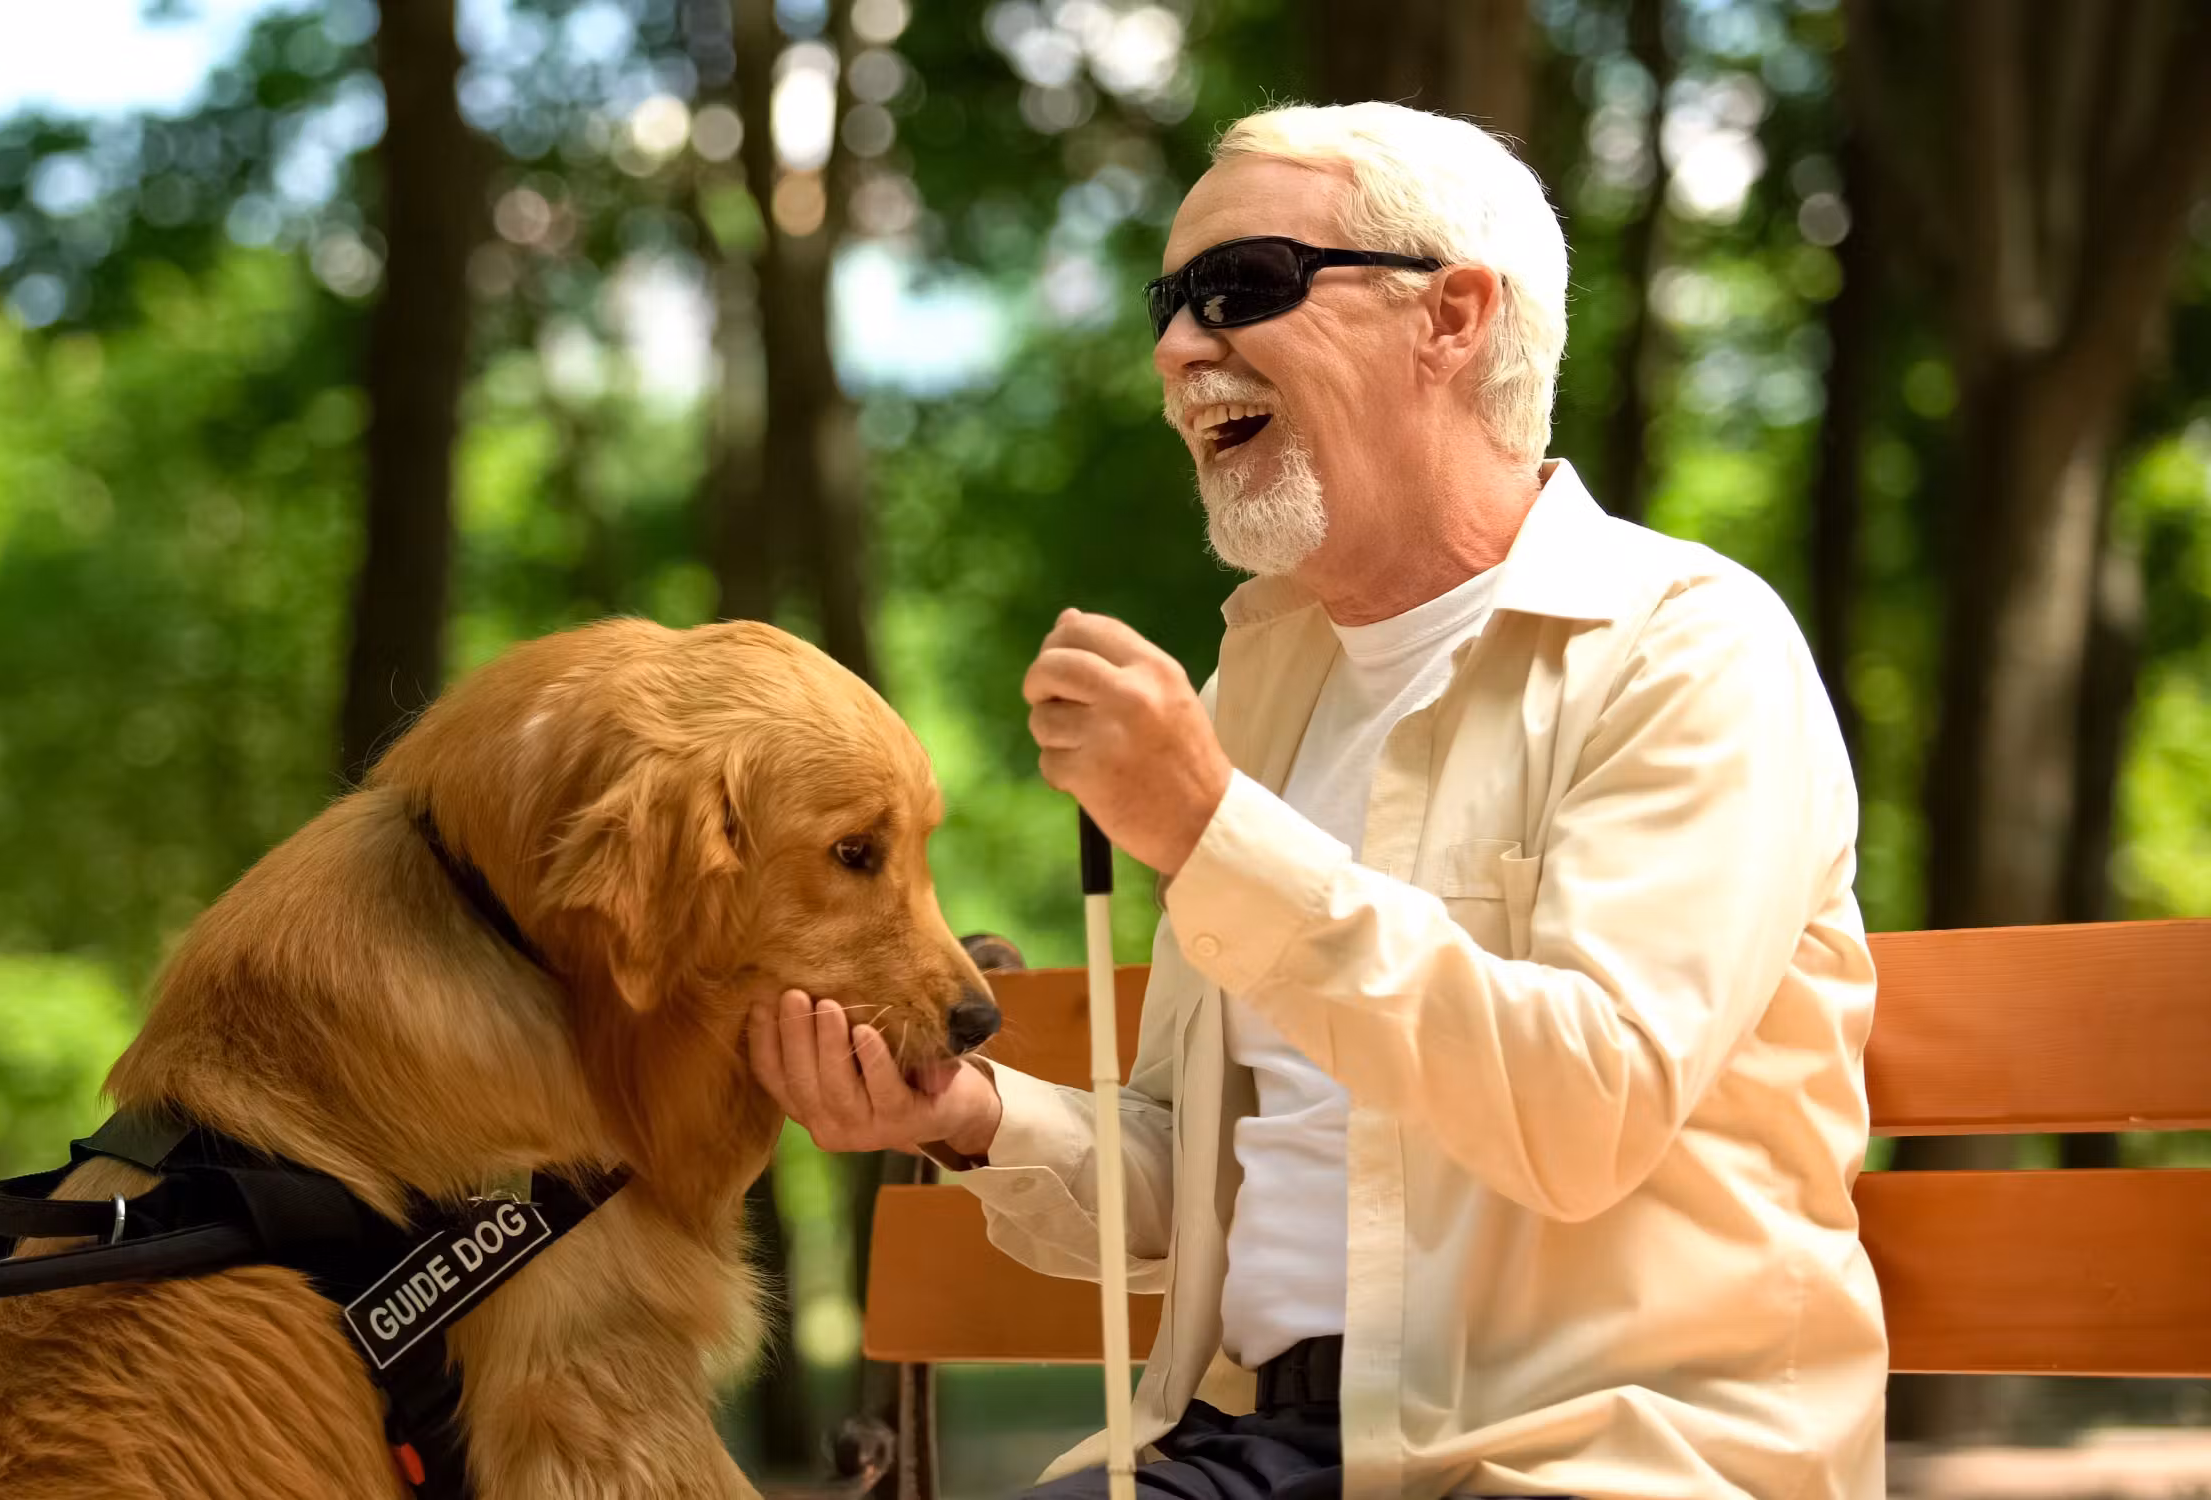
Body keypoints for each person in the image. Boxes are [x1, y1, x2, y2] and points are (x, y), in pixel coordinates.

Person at [747, 101, 1885, 1500]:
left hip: (1600, 1454)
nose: (1176, 348)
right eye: (1166, 304)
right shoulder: (1258, 697)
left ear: (1451, 316)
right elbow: (1188, 1175)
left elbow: (1585, 1112)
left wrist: (1211, 833)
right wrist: (960, 1113)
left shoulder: (1686, 646)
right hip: (1256, 1448)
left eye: (1241, 287)